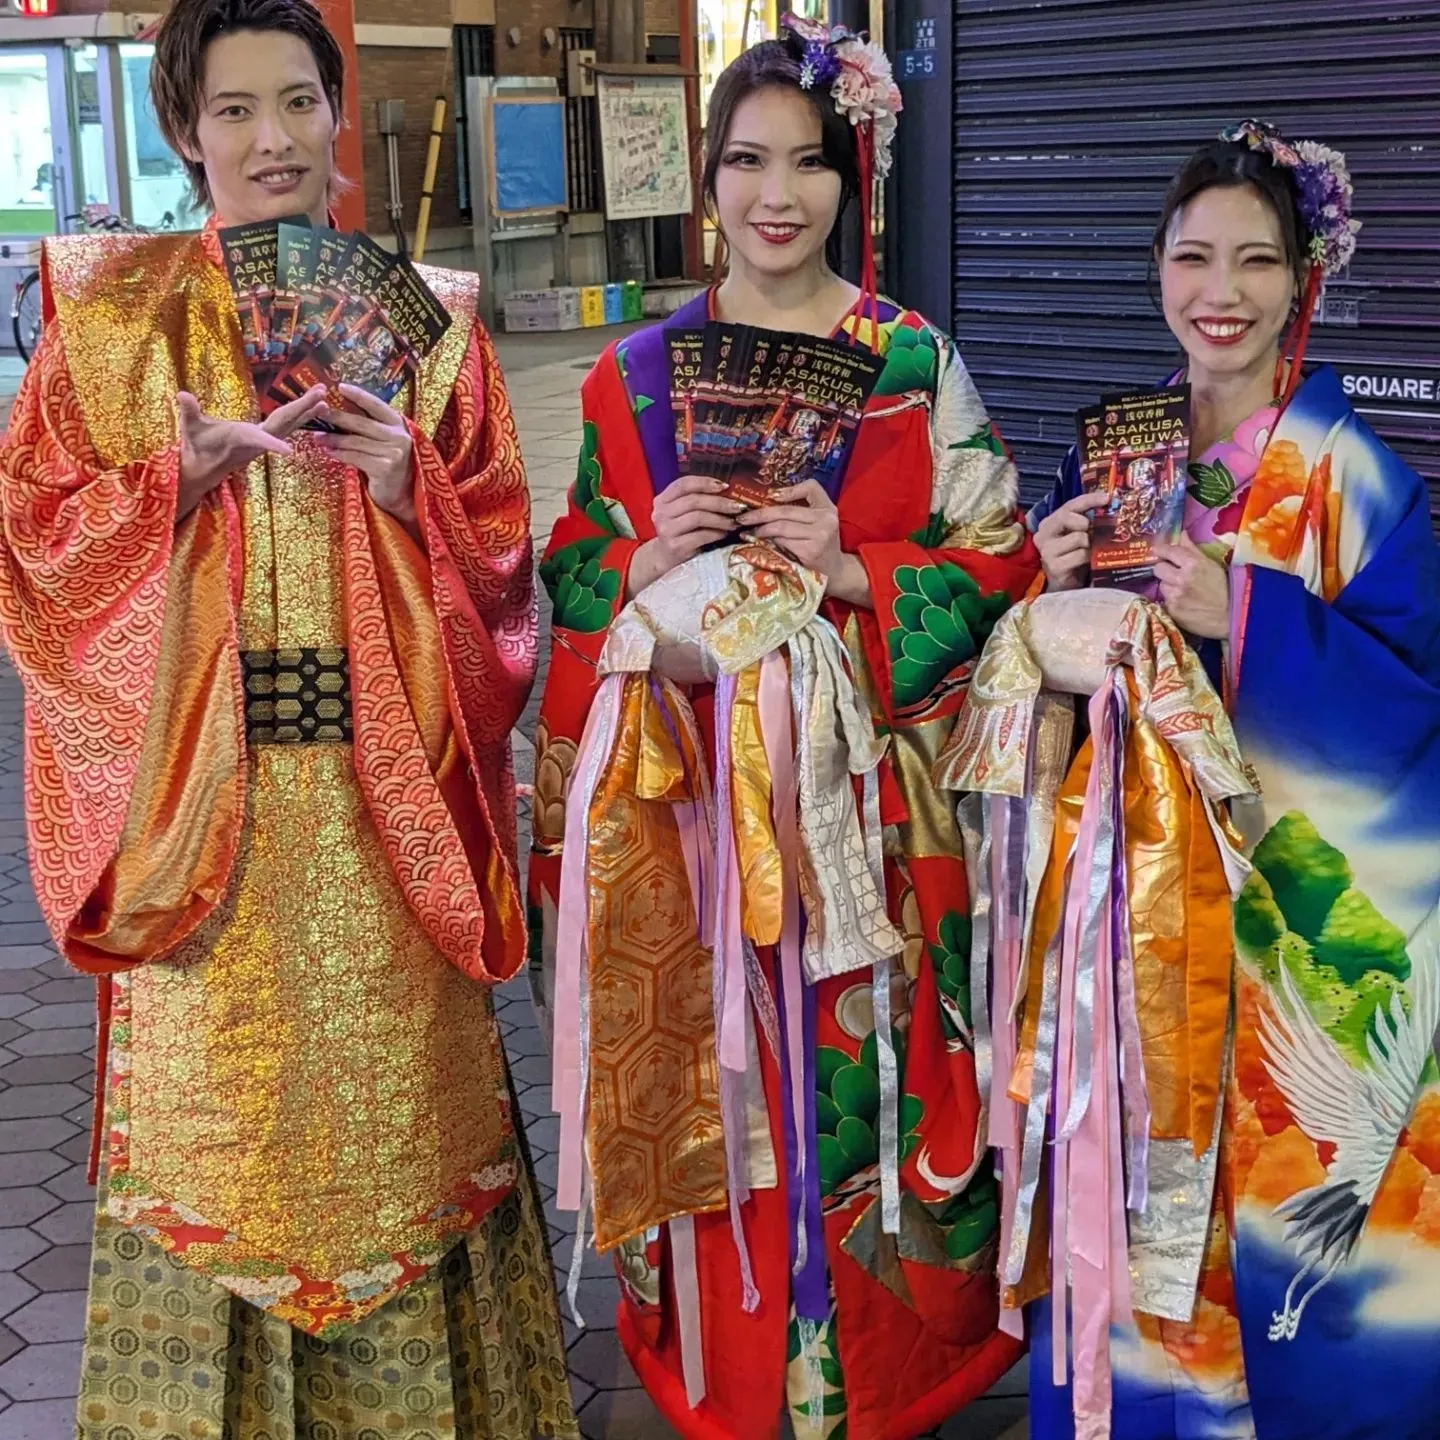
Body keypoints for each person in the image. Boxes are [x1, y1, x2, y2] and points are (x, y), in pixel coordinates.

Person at [0, 1, 576, 1437]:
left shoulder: (429, 325)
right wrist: (162, 493)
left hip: (386, 817)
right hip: (209, 826)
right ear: (184, 132)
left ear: (340, 118)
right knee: (222, 1142)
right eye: (235, 111)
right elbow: (32, 552)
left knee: (406, 1128)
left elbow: (504, 571)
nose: (272, 141)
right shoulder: (113, 315)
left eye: (300, 104)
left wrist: (411, 503)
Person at [527, 18, 1040, 1439]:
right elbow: (564, 569)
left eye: (810, 163)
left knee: (855, 1095)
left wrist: (858, 572)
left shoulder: (911, 363)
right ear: (707, 179)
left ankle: (878, 1385)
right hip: (690, 827)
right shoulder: (632, 378)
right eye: (747, 159)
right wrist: (637, 563)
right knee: (723, 1104)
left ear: (848, 183)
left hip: (866, 838)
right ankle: (733, 1383)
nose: (778, 194)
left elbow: (1005, 570)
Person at [980, 122, 1440, 1438]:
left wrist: (1249, 617)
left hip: (1280, 929)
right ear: (1157, 273)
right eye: (1192, 257)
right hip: (1129, 921)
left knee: (1284, 1221)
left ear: (1303, 278)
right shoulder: (1115, 464)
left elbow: (1413, 715)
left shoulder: (1357, 484)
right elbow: (1044, 692)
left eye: (1254, 260)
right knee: (1137, 1192)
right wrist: (1050, 588)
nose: (1219, 292)